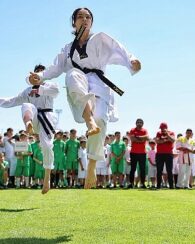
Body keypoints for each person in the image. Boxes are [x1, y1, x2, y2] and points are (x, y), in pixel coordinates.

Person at [27, 7, 141, 189]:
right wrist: (39, 77)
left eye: (88, 17)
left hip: (99, 84)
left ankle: (92, 166)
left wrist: (132, 62)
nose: (84, 19)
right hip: (79, 84)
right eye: (80, 17)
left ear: (91, 22)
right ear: (74, 23)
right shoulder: (67, 49)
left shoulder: (101, 39)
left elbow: (120, 50)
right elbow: (54, 68)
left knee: (101, 118)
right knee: (72, 74)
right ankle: (89, 122)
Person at [0, 64, 59, 194]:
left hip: (47, 117)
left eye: (40, 73)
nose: (37, 75)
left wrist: (41, 89)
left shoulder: (49, 85)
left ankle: (47, 178)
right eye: (35, 73)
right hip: (34, 117)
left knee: (47, 146)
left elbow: (56, 92)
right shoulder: (27, 91)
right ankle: (28, 125)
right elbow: (12, 100)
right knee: (26, 104)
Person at [128, 119, 149, 189]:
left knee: (142, 169)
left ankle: (142, 184)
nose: (139, 123)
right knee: (133, 169)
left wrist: (137, 137)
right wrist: (141, 139)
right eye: (138, 122)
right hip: (133, 153)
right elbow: (132, 139)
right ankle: (131, 183)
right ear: (135, 123)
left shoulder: (145, 130)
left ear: (142, 124)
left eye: (140, 122)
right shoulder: (132, 130)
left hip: (142, 153)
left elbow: (146, 138)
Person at [155, 122, 175, 189]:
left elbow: (172, 140)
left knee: (169, 170)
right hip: (159, 154)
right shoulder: (158, 133)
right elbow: (157, 141)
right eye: (161, 128)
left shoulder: (171, 133)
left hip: (168, 154)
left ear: (166, 128)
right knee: (159, 170)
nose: (161, 130)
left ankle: (171, 186)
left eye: (163, 128)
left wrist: (167, 135)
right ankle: (158, 185)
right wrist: (166, 140)